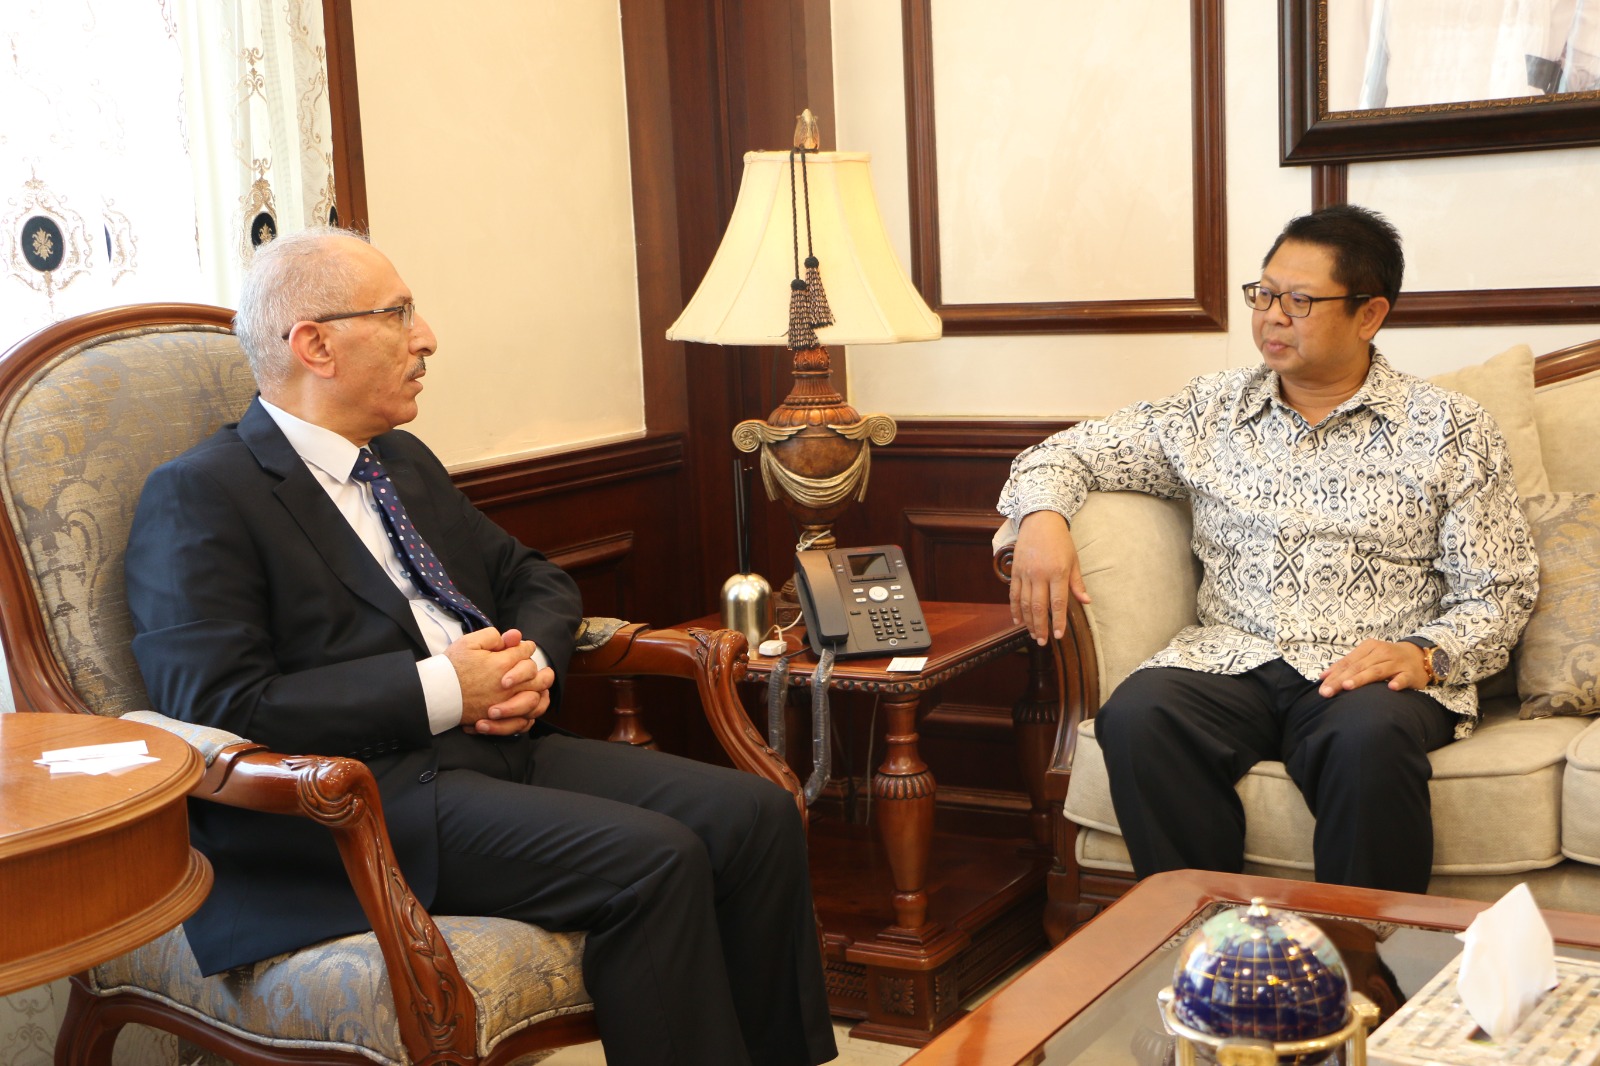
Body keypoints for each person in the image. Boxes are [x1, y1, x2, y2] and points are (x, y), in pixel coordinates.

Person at [125, 226, 838, 1066]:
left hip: (495, 747)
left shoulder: (399, 462)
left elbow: (534, 577)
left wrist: (525, 666)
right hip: (360, 802)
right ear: (315, 345)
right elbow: (218, 704)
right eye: (397, 314)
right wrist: (446, 688)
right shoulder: (201, 494)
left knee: (756, 816)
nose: (426, 337)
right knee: (656, 860)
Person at [998, 204, 1538, 894]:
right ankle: (1209, 939)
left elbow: (1500, 590)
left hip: (1366, 671)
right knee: (1140, 715)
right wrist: (1043, 517)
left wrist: (1426, 655)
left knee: (1365, 741)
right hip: (1233, 659)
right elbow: (1063, 452)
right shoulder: (1210, 411)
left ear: (1370, 314)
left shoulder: (1450, 428)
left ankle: (1362, 952)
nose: (1272, 317)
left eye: (1299, 301)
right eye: (1264, 294)